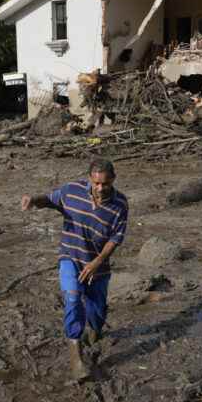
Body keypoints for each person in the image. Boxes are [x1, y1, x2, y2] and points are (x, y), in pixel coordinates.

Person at [21, 159, 128, 381]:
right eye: (96, 183)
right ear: (90, 178)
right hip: (70, 256)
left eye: (105, 184)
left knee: (96, 311)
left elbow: (116, 238)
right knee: (72, 298)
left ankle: (95, 329)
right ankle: (75, 356)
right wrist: (33, 200)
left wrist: (97, 262)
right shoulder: (72, 191)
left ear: (113, 180)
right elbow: (49, 199)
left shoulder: (120, 204)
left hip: (98, 265)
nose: (100, 189)